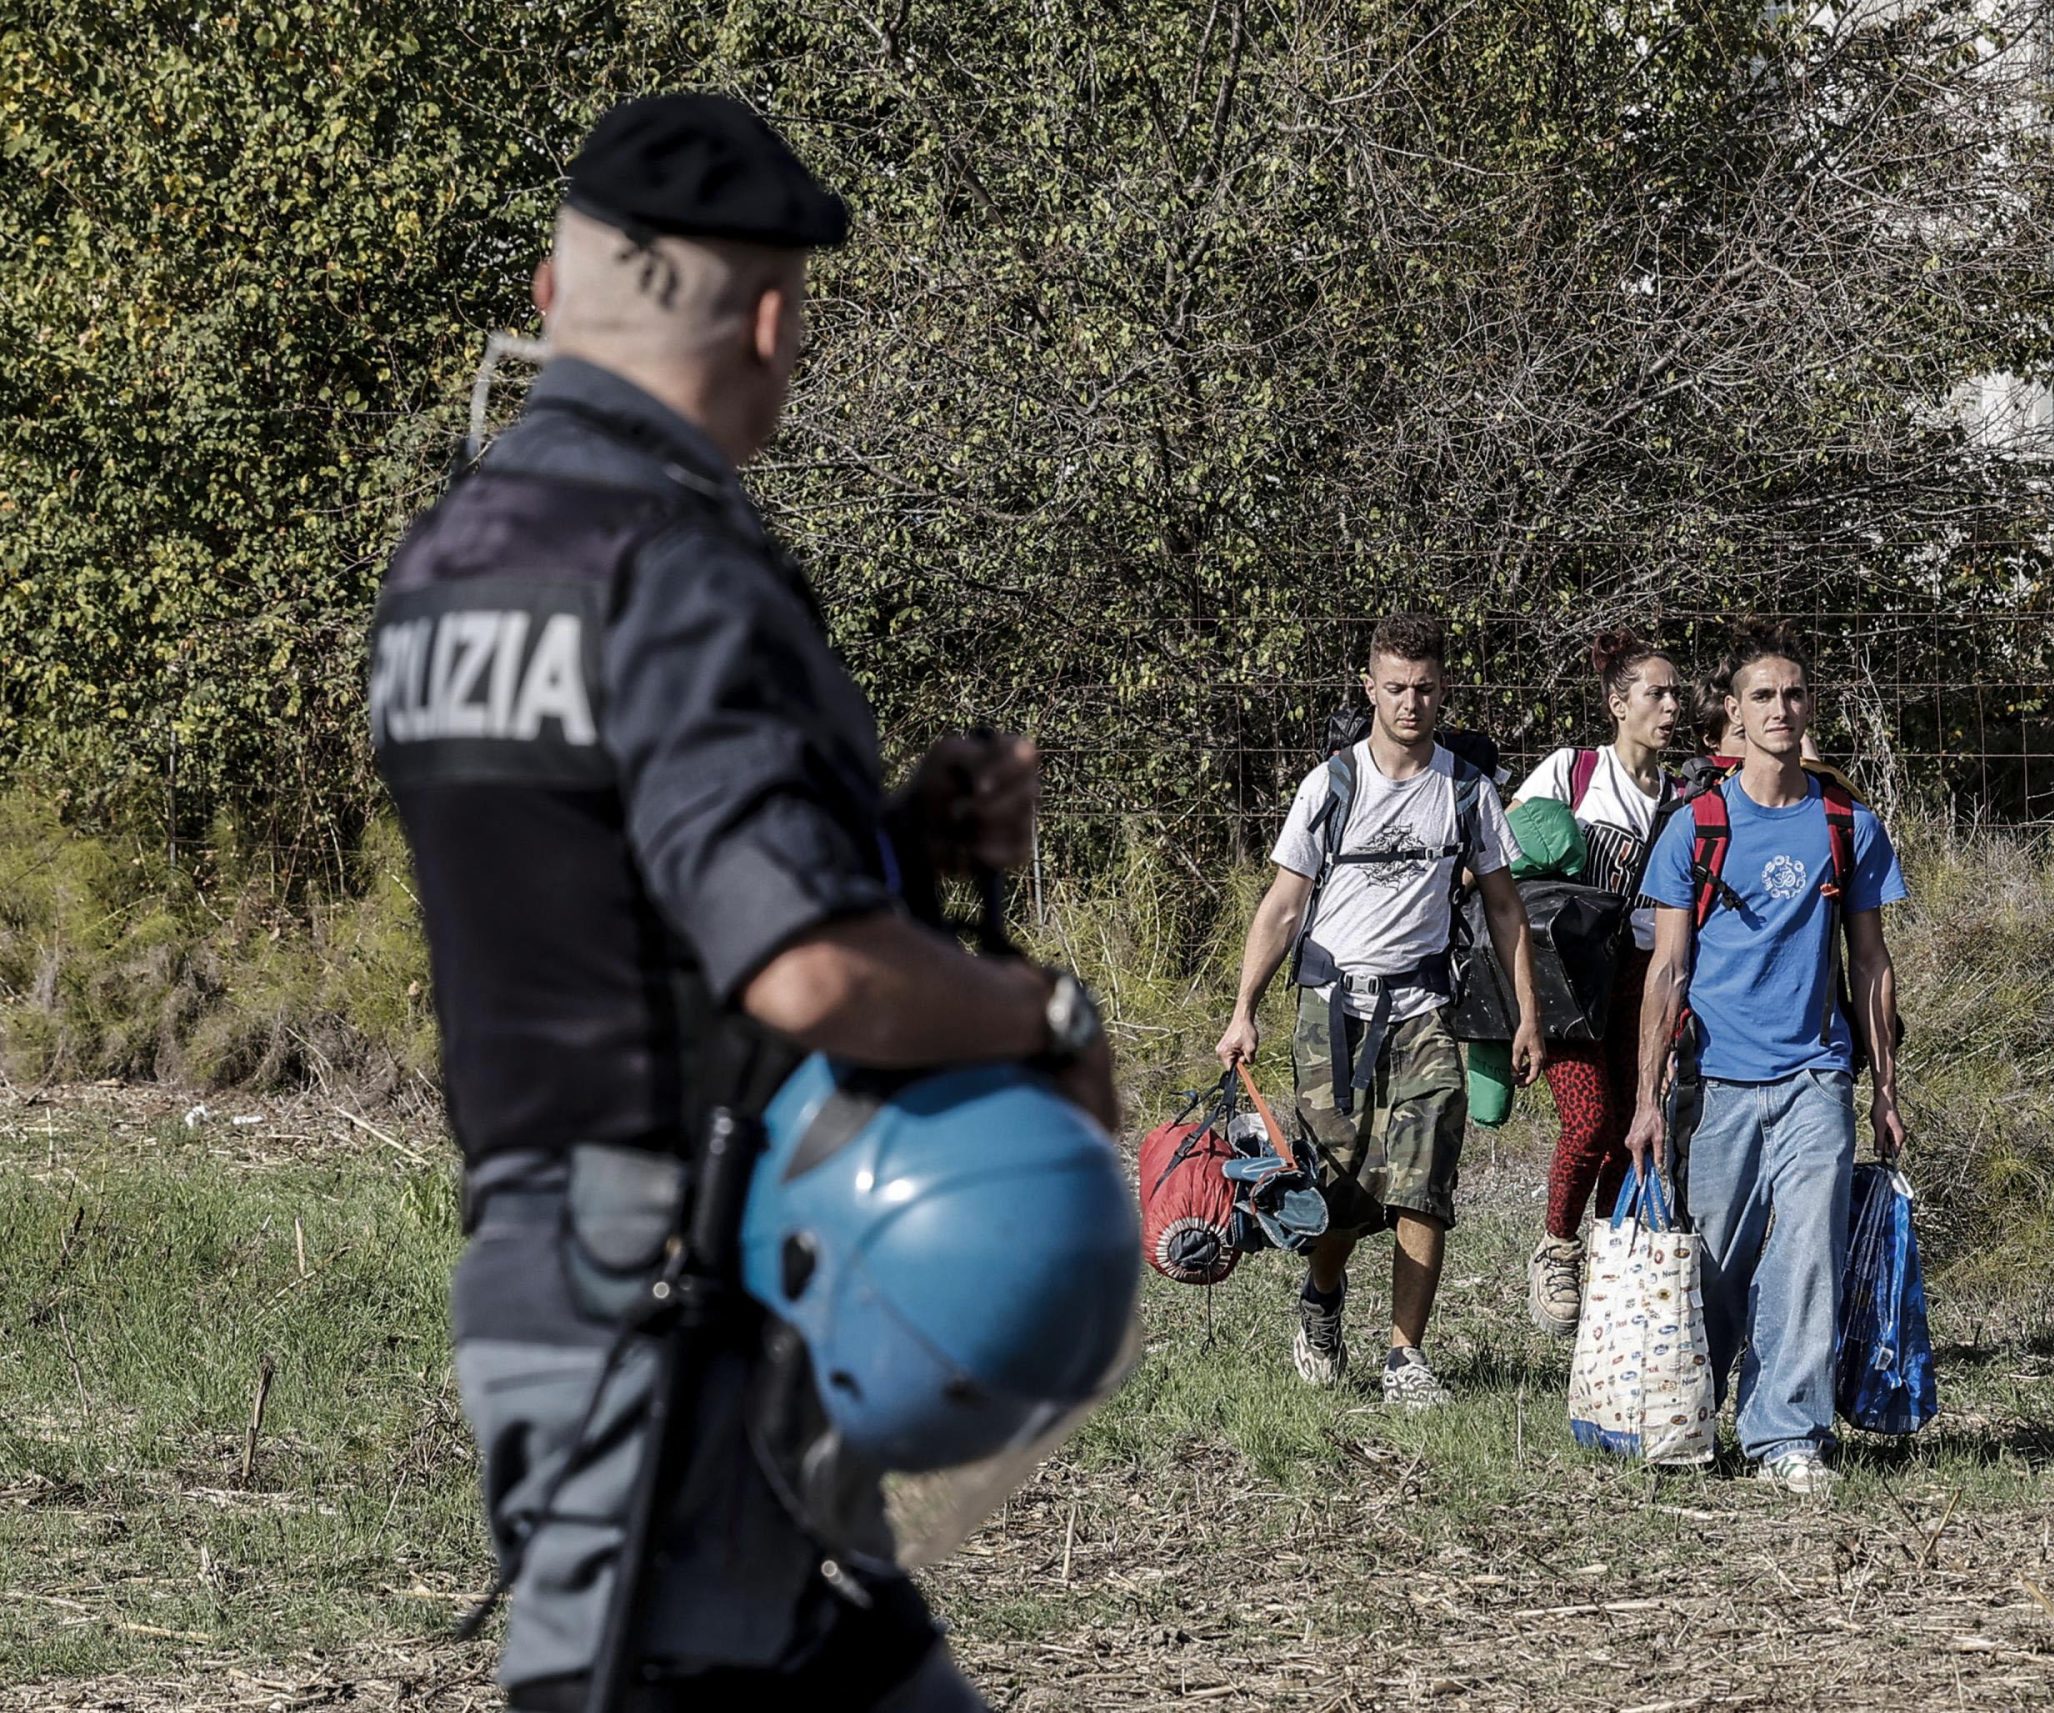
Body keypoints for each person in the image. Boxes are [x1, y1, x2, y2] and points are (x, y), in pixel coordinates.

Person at [367, 94, 1117, 1711]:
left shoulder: (450, 561)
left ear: (557, 297)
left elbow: (612, 896)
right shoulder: (676, 561)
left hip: (554, 1270)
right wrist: (1043, 1010)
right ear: (772, 320)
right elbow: (803, 975)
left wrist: (896, 837)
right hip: (683, 1315)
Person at [1215, 615, 1545, 1410]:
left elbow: (1505, 910)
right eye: (1395, 687)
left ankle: (1405, 1358)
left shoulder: (1467, 790)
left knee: (1423, 1177)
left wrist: (1529, 1014)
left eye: (1426, 687)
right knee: (1339, 1191)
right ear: (1370, 688)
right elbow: (1284, 906)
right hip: (1332, 1009)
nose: (1411, 701)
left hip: (1426, 1009)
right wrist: (1243, 1008)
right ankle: (1322, 1297)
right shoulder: (1330, 786)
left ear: (1443, 691)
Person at [1623, 620, 1908, 1496]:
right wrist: (1643, 1098)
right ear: (1735, 717)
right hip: (1715, 1081)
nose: (1780, 709)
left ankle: (1787, 1430)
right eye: (1762, 696)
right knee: (1715, 1258)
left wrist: (1886, 1087)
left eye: (1793, 694)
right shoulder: (1697, 827)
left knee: (1809, 1249)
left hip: (1817, 1072)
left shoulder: (1845, 823)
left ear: (1807, 706)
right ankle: (1689, 1407)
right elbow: (1667, 968)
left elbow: (1871, 963)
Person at [1508, 629, 1687, 1336]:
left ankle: (1610, 1262)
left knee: (1632, 1133)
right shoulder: (1572, 773)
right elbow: (1504, 856)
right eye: (1655, 692)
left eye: (1676, 693)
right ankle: (1557, 1246)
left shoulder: (1685, 796)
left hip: (1644, 981)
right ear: (1617, 703)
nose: (1671, 705)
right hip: (1572, 980)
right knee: (1588, 1122)